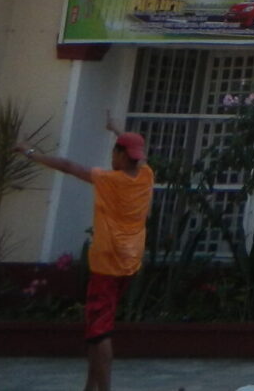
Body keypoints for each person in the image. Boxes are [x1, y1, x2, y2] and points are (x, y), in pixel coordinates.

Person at [17, 112, 155, 391]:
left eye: (114, 152)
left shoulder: (109, 180)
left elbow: (67, 165)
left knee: (99, 331)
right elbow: (141, 155)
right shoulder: (145, 176)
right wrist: (116, 128)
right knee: (94, 331)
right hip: (129, 263)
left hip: (107, 265)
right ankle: (90, 387)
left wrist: (28, 151)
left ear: (119, 154)